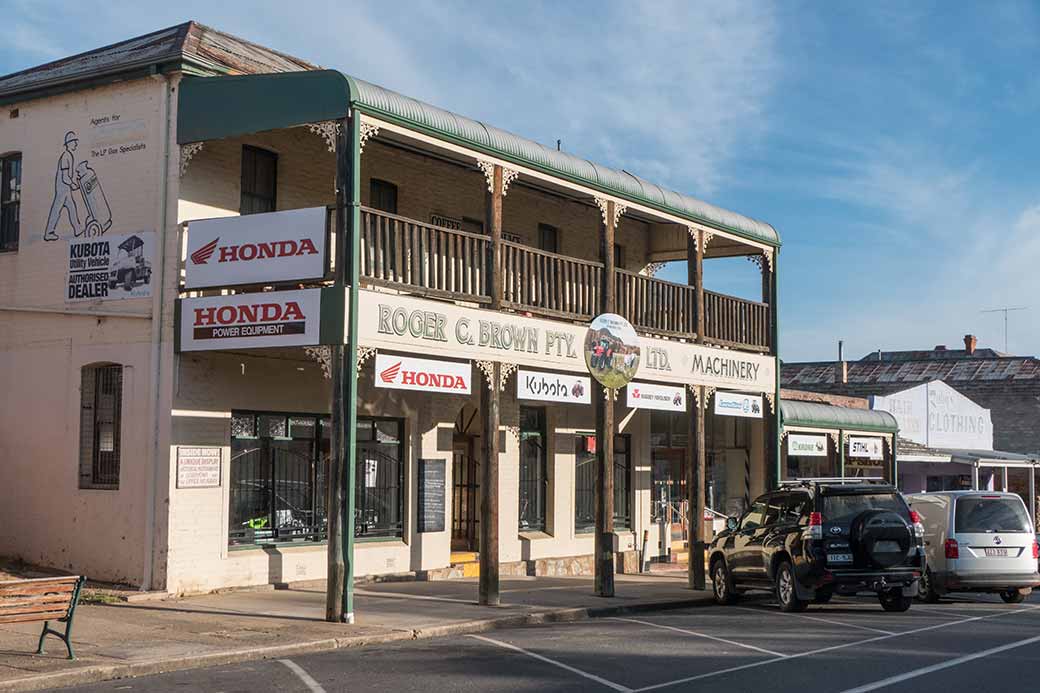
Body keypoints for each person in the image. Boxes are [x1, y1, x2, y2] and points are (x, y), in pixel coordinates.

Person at [44, 131, 82, 240]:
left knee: (72, 208)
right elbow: (65, 177)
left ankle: (77, 228)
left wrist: (72, 184)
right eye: (74, 141)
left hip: (65, 189)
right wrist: (73, 185)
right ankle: (49, 233)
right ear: (69, 143)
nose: (76, 144)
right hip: (62, 189)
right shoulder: (66, 156)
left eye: (76, 141)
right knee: (56, 210)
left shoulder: (69, 155)